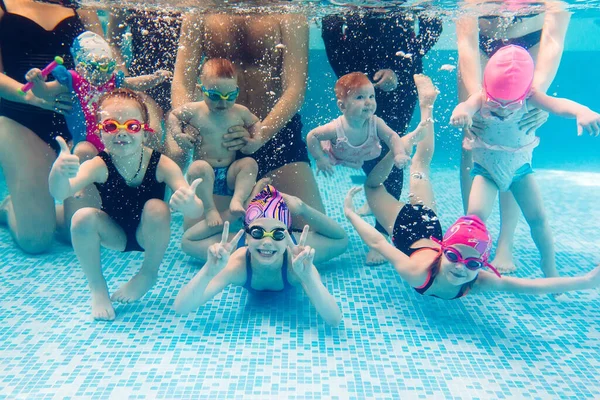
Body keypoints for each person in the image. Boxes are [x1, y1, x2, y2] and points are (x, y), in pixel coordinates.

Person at [343, 80, 600, 300]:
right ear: (444, 249)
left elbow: (527, 287)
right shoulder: (417, 271)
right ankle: (404, 141)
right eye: (454, 256)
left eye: (473, 263)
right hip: (408, 224)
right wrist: (350, 213)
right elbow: (378, 240)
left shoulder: (474, 279)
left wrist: (586, 281)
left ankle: (424, 110)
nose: (461, 268)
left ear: (482, 264)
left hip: (428, 220)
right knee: (374, 185)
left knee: (420, 165)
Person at [48, 89, 204, 321]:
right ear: (100, 132)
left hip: (148, 235)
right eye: (111, 126)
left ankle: (148, 273)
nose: (121, 133)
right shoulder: (99, 165)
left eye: (131, 126)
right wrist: (58, 173)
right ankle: (98, 288)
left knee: (157, 207)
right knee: (81, 218)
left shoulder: (162, 164)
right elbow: (61, 191)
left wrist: (190, 202)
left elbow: (196, 210)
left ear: (144, 130)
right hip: (115, 234)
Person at [450, 45, 600, 279]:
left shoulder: (532, 97)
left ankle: (549, 268)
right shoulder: (481, 97)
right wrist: (462, 114)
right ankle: (466, 266)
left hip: (520, 171)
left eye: (509, 104)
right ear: (487, 87)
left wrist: (582, 111)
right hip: (486, 171)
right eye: (496, 101)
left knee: (538, 218)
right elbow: (465, 106)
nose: (501, 109)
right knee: (475, 218)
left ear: (523, 93)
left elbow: (560, 105)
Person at [172, 11, 326, 231]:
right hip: (218, 141)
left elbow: (295, 89)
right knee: (198, 240)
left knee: (312, 231)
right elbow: (182, 81)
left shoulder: (288, 10)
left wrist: (260, 134)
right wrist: (188, 124)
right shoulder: (200, 8)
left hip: (276, 135)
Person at [321, 6, 443, 265]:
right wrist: (355, 81)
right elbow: (331, 36)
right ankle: (377, 199)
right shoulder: (353, 10)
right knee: (364, 142)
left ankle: (381, 229)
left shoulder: (399, 9)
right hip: (357, 84)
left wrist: (400, 68)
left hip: (399, 90)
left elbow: (430, 29)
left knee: (389, 149)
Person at [456, 0, 571, 272]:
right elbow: (468, 45)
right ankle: (472, 236)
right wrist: (477, 99)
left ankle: (506, 243)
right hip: (482, 41)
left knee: (512, 142)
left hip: (529, 42)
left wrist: (535, 98)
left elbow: (553, 40)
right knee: (472, 139)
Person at [0, 0, 108, 253]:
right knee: (36, 240)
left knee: (81, 230)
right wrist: (28, 96)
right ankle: (10, 206)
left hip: (76, 125)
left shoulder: (83, 6)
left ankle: (42, 208)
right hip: (21, 120)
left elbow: (105, 62)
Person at [174, 185, 343, 327]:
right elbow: (181, 308)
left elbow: (334, 319)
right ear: (246, 237)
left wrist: (308, 278)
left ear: (287, 238)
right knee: (187, 243)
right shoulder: (236, 264)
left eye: (277, 233)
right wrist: (208, 271)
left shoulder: (298, 263)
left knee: (341, 244)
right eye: (257, 232)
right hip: (251, 249)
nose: (267, 241)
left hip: (282, 251)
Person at [25, 31, 171, 155]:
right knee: (83, 152)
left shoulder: (113, 79)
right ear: (80, 67)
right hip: (87, 141)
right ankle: (82, 187)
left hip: (114, 137)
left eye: (109, 66)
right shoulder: (73, 81)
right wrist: (37, 82)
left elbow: (135, 83)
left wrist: (155, 78)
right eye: (96, 68)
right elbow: (44, 93)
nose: (104, 73)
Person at [167, 58, 262, 230]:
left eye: (230, 96)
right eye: (215, 96)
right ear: (200, 89)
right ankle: (210, 209)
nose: (223, 103)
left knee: (249, 164)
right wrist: (178, 135)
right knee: (197, 167)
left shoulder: (240, 112)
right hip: (206, 174)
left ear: (236, 91)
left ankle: (237, 199)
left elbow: (255, 123)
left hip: (230, 173)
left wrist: (255, 141)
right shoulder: (194, 110)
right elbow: (174, 116)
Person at [307, 72, 426, 177]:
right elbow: (312, 136)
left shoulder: (376, 123)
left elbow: (391, 136)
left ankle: (410, 138)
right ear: (342, 106)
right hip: (338, 156)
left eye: (371, 96)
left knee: (366, 165)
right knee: (351, 163)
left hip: (363, 155)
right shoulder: (335, 128)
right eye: (360, 97)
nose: (368, 102)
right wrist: (320, 158)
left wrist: (399, 154)